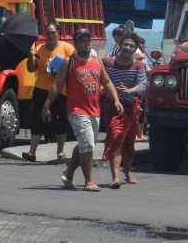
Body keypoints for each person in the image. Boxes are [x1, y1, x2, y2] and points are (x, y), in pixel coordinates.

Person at [41, 28, 123, 192]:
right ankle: (89, 181)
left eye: (88, 39)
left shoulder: (97, 61)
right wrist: (47, 105)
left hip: (94, 110)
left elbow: (106, 82)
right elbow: (57, 85)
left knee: (87, 143)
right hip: (76, 109)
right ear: (76, 43)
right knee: (87, 143)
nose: (86, 42)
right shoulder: (68, 61)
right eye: (82, 40)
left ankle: (69, 171)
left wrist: (116, 100)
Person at [22, 22, 75, 162]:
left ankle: (60, 151)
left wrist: (59, 71)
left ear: (59, 34)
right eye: (48, 33)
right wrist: (30, 56)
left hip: (60, 90)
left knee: (60, 120)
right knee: (38, 120)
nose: (50, 36)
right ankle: (32, 152)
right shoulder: (39, 49)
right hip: (41, 89)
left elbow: (74, 67)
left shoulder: (67, 48)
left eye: (53, 33)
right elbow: (31, 69)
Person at [101, 32, 148, 188]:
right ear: (119, 45)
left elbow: (143, 85)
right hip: (113, 107)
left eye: (131, 46)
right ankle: (115, 177)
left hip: (131, 108)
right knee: (115, 137)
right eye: (125, 44)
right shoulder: (106, 62)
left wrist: (131, 90)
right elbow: (97, 76)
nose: (128, 48)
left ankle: (127, 172)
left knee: (129, 142)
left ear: (135, 49)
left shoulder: (138, 65)